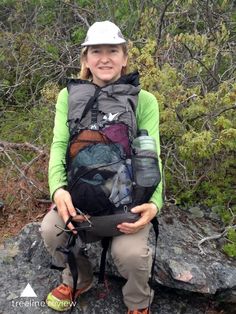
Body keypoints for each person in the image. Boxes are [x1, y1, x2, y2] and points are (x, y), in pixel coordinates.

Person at [41, 20, 163, 314]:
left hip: (127, 202)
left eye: (113, 50)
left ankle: (137, 300)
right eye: (96, 51)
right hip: (82, 198)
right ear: (85, 58)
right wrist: (58, 189)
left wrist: (154, 205)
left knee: (131, 254)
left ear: (124, 58)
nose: (105, 58)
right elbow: (59, 145)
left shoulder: (144, 100)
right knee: (51, 230)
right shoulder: (68, 96)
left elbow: (153, 155)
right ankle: (79, 278)